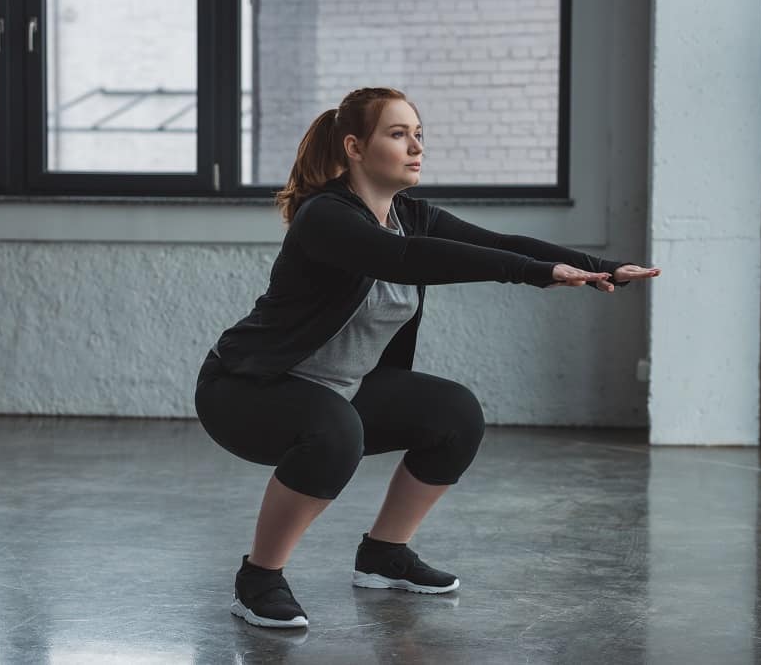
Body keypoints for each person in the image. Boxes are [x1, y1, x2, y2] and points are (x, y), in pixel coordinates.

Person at [193, 87, 661, 629]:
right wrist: (533, 275)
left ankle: (384, 555)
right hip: (246, 390)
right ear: (354, 147)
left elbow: (502, 240)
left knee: (454, 414)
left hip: (337, 390)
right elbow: (405, 260)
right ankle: (259, 580)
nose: (416, 146)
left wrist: (602, 266)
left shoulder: (408, 215)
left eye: (419, 134)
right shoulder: (326, 217)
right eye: (398, 134)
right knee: (335, 431)